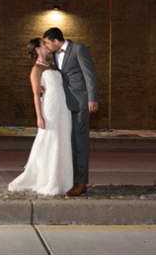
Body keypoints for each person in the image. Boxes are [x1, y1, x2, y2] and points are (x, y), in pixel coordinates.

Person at [7, 38, 73, 196]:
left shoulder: (53, 65)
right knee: (50, 139)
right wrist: (39, 117)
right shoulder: (36, 70)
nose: (47, 45)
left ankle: (63, 180)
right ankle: (48, 180)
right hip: (49, 106)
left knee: (63, 138)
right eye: (44, 44)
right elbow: (36, 94)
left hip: (63, 106)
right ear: (38, 49)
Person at [42, 27, 99, 197]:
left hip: (81, 102)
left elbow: (90, 74)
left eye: (46, 42)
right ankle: (72, 179)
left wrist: (92, 98)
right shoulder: (55, 54)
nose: (46, 45)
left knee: (80, 143)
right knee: (70, 142)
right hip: (65, 103)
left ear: (55, 41)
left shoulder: (79, 49)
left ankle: (80, 183)